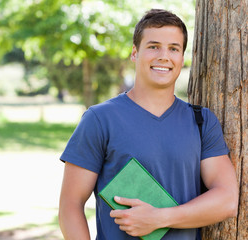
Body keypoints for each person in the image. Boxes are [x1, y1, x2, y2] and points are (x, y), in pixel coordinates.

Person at [58, 9, 238, 240]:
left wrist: (159, 218)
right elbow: (70, 206)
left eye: (173, 48)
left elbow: (227, 201)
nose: (164, 56)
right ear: (135, 53)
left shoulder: (201, 121)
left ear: (182, 58)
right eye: (153, 46)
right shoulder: (100, 119)